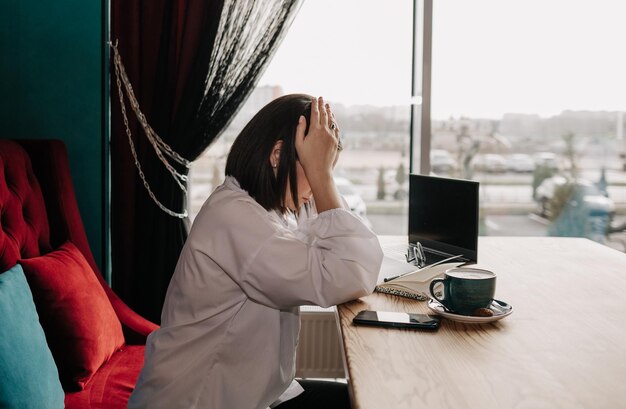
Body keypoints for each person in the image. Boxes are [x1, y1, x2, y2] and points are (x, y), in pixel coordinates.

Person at [127, 95, 383, 409]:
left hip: (252, 395)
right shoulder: (235, 217)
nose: (314, 190)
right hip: (194, 399)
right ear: (278, 155)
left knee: (354, 398)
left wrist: (318, 164)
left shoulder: (273, 208)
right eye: (317, 166)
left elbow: (341, 243)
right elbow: (349, 271)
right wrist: (322, 175)